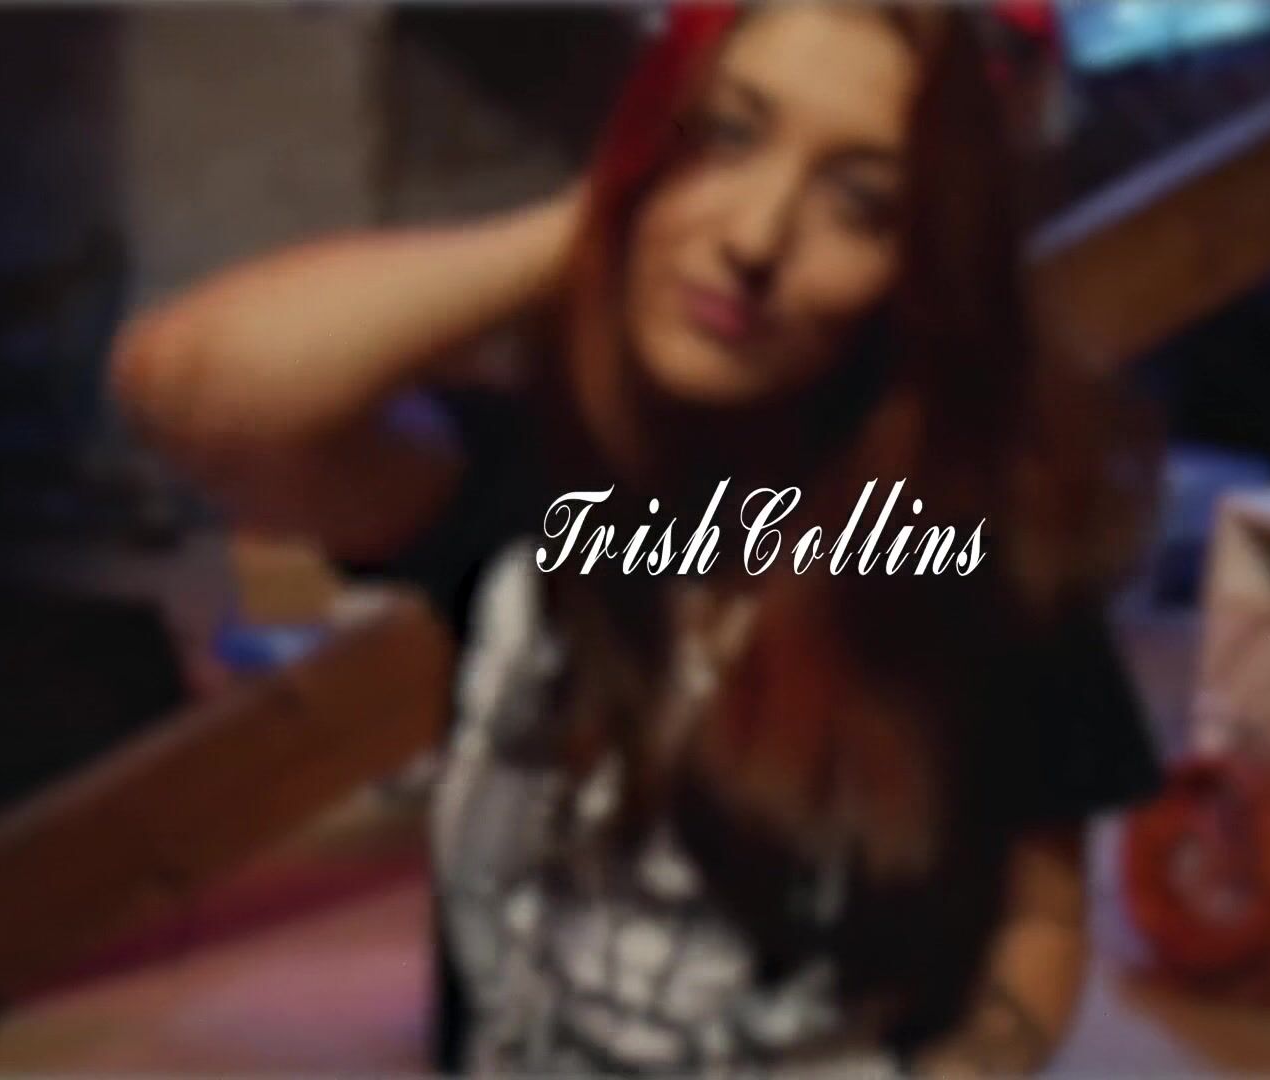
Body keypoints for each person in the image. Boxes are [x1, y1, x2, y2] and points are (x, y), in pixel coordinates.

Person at [113, 3, 1161, 1073]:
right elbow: (187, 390)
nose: (754, 238)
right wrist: (606, 214)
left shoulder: (969, 549)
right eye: (724, 136)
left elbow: (1043, 913)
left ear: (927, 265)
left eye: (862, 205)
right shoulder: (538, 481)